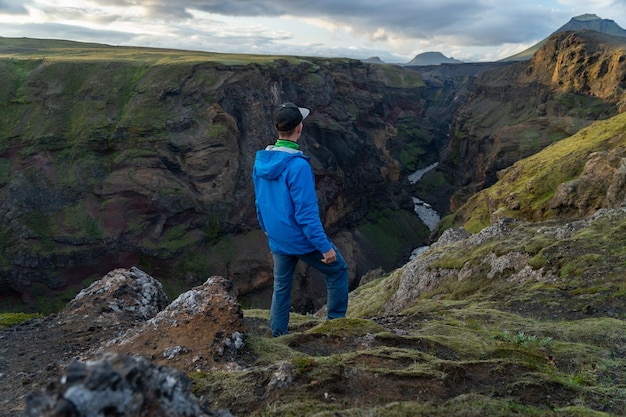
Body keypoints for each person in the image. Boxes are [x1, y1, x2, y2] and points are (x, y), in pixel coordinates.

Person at [253, 102, 349, 337]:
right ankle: (335, 327)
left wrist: (266, 228)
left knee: (281, 285)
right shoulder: (298, 166)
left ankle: (278, 335)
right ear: (299, 128)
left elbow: (259, 201)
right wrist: (324, 248)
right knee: (338, 270)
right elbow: (306, 215)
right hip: (299, 237)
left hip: (277, 236)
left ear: (278, 129)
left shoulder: (261, 161)